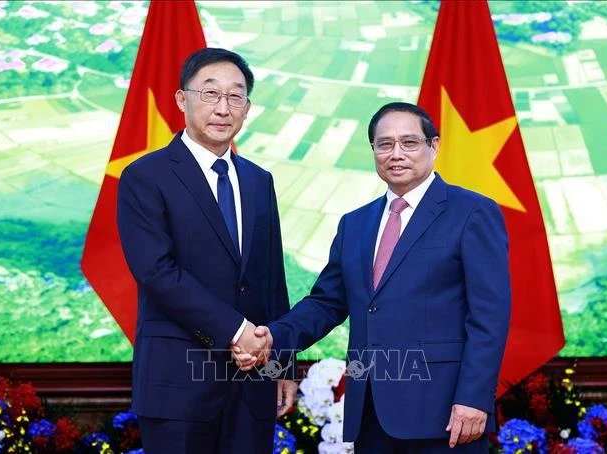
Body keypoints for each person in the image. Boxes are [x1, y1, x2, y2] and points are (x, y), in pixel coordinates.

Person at [234, 102, 511, 453]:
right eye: (385, 144)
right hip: (371, 416)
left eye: (409, 143)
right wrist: (271, 339)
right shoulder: (355, 224)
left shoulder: (472, 212)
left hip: (447, 416)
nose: (396, 154)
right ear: (374, 151)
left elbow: (490, 315)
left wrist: (474, 399)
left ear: (434, 146)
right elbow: (326, 303)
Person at [116, 47, 297, 454]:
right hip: (177, 386)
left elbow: (270, 278)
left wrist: (283, 362)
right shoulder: (145, 176)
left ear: (247, 108)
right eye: (210, 93)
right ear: (183, 99)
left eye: (236, 96)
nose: (223, 108)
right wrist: (238, 332)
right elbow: (157, 272)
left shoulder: (258, 180)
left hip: (252, 385)